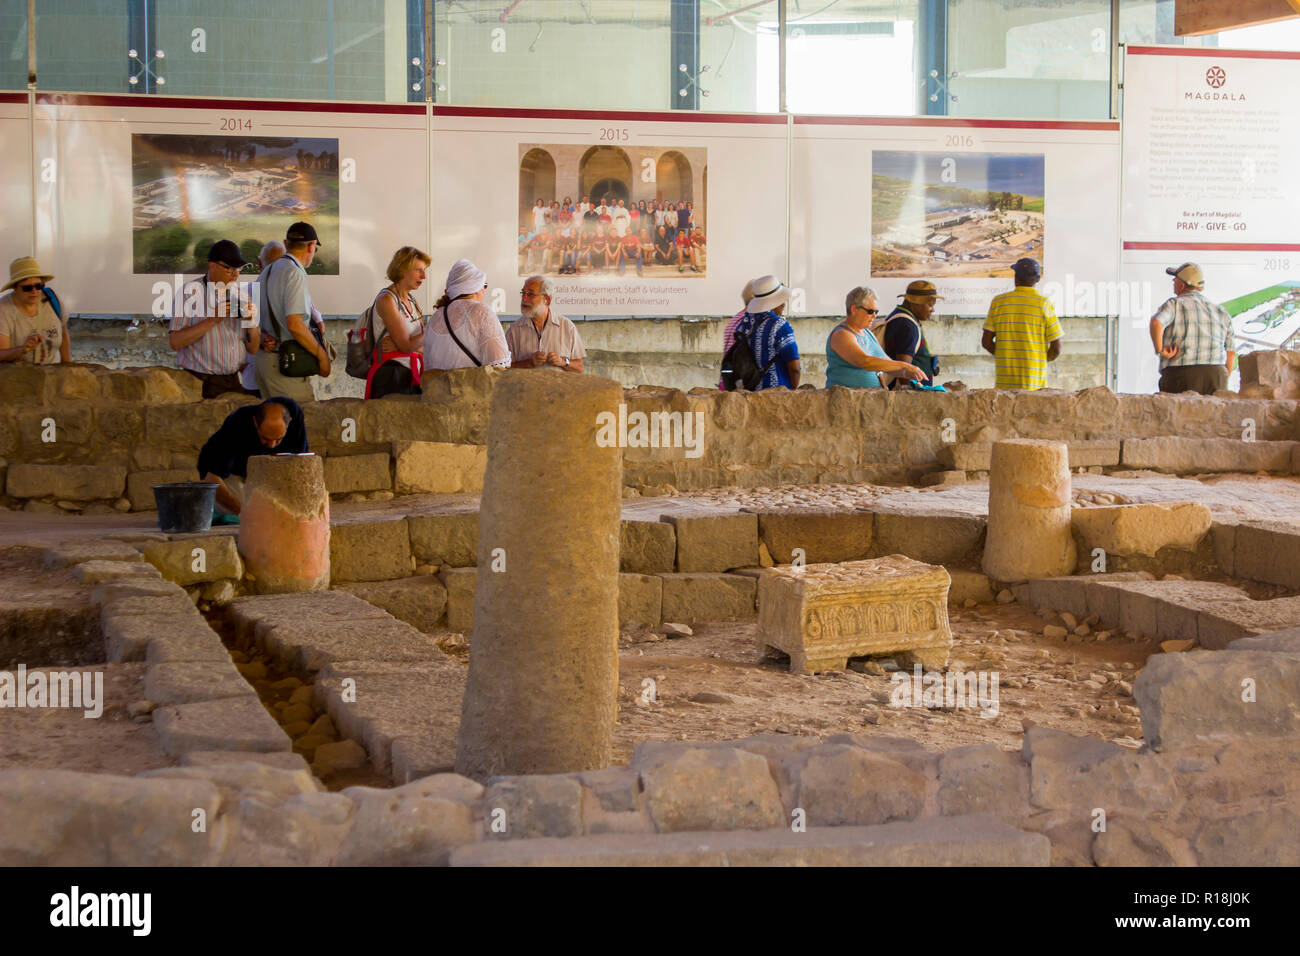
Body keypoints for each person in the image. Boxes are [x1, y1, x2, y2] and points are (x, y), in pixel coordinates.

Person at [168, 239, 260, 398]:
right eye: (229, 268)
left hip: (233, 380)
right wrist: (212, 320)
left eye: (238, 268)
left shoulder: (242, 295)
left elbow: (253, 348)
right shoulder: (189, 293)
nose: (235, 274)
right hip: (199, 381)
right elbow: (175, 342)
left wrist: (251, 323)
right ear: (212, 265)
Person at [255, 222, 330, 402]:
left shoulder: (266, 271)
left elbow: (254, 321)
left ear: (286, 243)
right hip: (285, 364)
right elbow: (295, 325)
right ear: (311, 246)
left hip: (265, 362)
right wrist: (322, 356)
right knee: (303, 422)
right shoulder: (294, 272)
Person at [196, 396, 308, 516]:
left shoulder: (294, 415)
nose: (271, 445)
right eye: (266, 438)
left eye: (278, 439)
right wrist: (244, 512)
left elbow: (301, 462)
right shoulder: (237, 423)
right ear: (255, 423)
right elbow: (211, 477)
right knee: (254, 514)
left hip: (267, 478)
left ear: (289, 422)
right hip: (232, 478)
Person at [1149, 262, 1236, 395]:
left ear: (1182, 285)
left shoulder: (1174, 305)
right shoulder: (1220, 311)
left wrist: (1160, 350)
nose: (1173, 282)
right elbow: (1231, 353)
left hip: (1181, 374)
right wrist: (1223, 378)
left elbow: (1156, 323)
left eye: (1175, 280)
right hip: (1216, 374)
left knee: (1180, 415)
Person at [981, 257, 1062, 390]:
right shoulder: (1044, 304)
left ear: (1016, 278)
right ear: (1038, 279)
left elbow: (986, 342)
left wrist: (1006, 356)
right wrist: (1039, 360)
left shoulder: (998, 302)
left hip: (1004, 387)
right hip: (1034, 387)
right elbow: (1056, 348)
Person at [423, 258, 512, 372]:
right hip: (471, 388)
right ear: (476, 287)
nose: (484, 290)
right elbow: (499, 363)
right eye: (484, 285)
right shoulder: (481, 311)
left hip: (439, 388)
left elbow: (428, 365)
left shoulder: (436, 316)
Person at [827, 287, 925, 389]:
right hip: (846, 400)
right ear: (854, 309)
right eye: (870, 311)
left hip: (871, 398)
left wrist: (907, 373)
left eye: (876, 312)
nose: (874, 316)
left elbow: (887, 364)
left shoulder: (868, 333)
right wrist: (905, 366)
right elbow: (864, 361)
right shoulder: (842, 334)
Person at [366, 246, 429, 399]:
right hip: (392, 376)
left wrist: (402, 346)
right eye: (418, 270)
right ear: (402, 270)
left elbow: (418, 346)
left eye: (424, 270)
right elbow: (408, 345)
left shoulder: (412, 301)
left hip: (410, 375)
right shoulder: (386, 299)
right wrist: (429, 329)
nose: (424, 276)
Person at [730, 275, 801, 390]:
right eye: (780, 300)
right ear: (772, 303)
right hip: (775, 396)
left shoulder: (742, 325)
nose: (783, 304)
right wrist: (792, 392)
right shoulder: (780, 326)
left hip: (748, 394)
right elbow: (795, 369)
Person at [506, 275, 586, 372]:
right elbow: (505, 368)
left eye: (530, 294)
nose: (524, 299)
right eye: (523, 293)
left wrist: (563, 362)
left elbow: (580, 368)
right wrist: (529, 363)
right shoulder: (514, 330)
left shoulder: (567, 327)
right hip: (525, 387)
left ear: (546, 299)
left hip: (558, 387)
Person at [0, 256, 69, 365]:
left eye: (39, 286)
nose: (34, 291)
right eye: (27, 288)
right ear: (15, 287)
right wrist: (23, 349)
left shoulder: (53, 299)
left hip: (53, 374)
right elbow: (1, 355)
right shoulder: (4, 309)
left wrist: (67, 367)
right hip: (19, 377)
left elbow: (64, 334)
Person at [882, 279, 942, 388]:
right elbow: (904, 370)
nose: (932, 310)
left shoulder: (899, 316)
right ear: (916, 303)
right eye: (929, 304)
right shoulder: (907, 326)